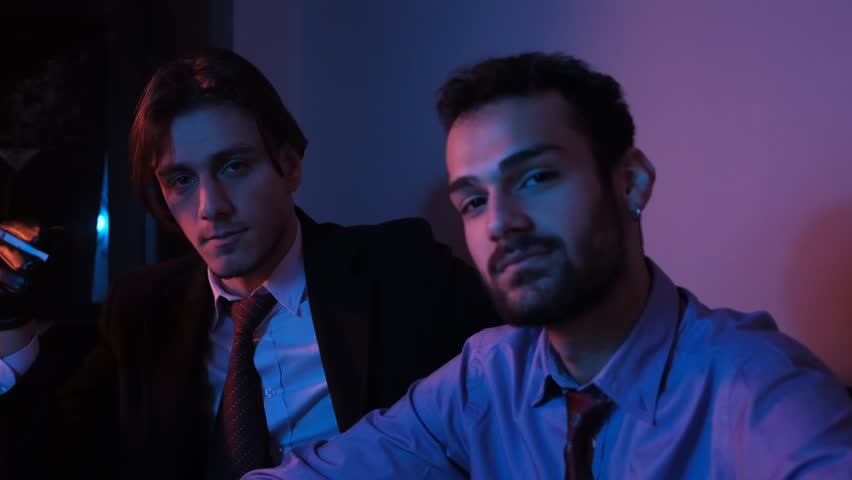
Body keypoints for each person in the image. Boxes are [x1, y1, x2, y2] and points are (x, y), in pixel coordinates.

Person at [247, 52, 852, 480]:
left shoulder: (757, 391)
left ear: (630, 181)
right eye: (474, 201)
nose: (500, 223)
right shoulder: (486, 377)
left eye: (535, 178)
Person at [0, 48, 498, 480]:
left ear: (289, 166)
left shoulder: (399, 269)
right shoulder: (142, 309)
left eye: (233, 167)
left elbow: (517, 381)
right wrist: (11, 323)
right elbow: (52, 458)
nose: (210, 207)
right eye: (181, 180)